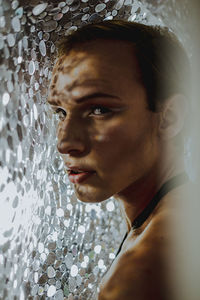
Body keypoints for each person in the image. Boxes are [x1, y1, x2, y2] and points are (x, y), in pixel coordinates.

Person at [47, 20, 191, 300]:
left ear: (170, 117)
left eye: (99, 109)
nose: (64, 143)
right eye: (61, 113)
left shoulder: (139, 275)